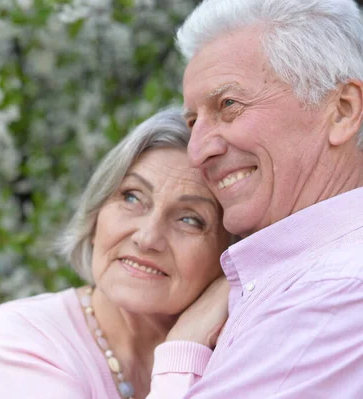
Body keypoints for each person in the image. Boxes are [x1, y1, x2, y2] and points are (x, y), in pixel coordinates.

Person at [145, 0, 363, 398]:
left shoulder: (338, 290)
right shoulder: (302, 278)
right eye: (193, 121)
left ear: (342, 110)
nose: (197, 152)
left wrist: (182, 348)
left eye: (228, 105)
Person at [0, 107, 232, 399]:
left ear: (228, 252)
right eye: (132, 197)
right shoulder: (13, 341)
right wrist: (184, 349)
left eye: (190, 219)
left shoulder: (240, 354)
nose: (148, 238)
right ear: (97, 211)